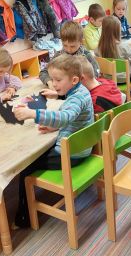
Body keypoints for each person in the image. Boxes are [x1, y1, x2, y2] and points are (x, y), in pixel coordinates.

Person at [13, 55, 94, 227]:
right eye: (52, 79)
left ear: (74, 80)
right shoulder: (81, 91)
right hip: (81, 146)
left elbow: (64, 116)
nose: (54, 84)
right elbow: (74, 117)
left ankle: (23, 219)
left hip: (72, 153)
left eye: (58, 80)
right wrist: (55, 127)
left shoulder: (76, 98)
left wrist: (32, 113)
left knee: (24, 166)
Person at [97, 15, 131, 103]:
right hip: (123, 79)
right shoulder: (122, 46)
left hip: (107, 78)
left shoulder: (99, 47)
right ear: (117, 31)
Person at [39, 21, 99, 88]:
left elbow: (96, 74)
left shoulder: (86, 55)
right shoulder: (59, 55)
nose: (69, 50)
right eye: (65, 45)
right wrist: (50, 83)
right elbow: (43, 72)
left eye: (72, 46)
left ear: (81, 42)